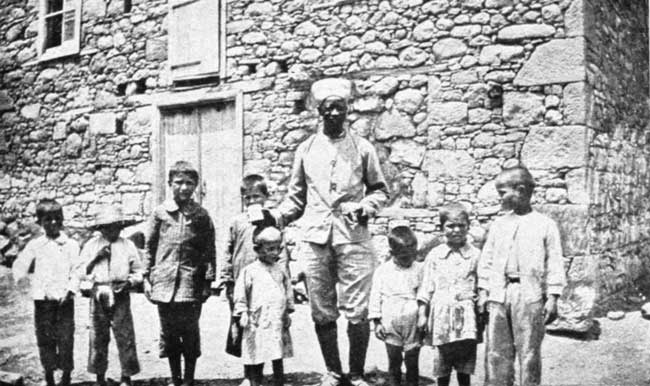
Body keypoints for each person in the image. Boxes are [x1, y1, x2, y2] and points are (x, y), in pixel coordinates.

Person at [272, 78, 389, 386]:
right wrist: (277, 217)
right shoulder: (306, 149)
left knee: (358, 309)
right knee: (322, 310)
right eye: (328, 108)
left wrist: (365, 207)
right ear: (319, 112)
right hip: (315, 238)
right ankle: (334, 372)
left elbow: (380, 190)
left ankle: (357, 373)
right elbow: (295, 199)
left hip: (353, 237)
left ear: (348, 111)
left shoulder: (363, 149)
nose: (334, 113)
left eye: (340, 107)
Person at [477, 166, 567, 386]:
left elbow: (554, 261)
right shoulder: (499, 225)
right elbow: (486, 260)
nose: (500, 198)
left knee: (529, 352)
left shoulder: (545, 225)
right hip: (499, 294)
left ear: (520, 190)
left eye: (502, 193)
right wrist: (483, 291)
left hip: (529, 296)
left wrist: (553, 296)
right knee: (496, 352)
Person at [144, 161, 217, 386]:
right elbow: (150, 246)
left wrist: (207, 282)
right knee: (170, 334)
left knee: (190, 333)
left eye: (189, 183)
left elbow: (209, 250)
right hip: (164, 284)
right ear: (169, 184)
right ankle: (175, 378)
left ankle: (188, 379)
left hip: (190, 284)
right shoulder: (160, 214)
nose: (184, 188)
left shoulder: (201, 215)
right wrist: (147, 278)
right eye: (179, 183)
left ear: (195, 185)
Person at [12, 199, 81, 386]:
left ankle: (66, 376)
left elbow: (77, 270)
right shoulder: (36, 245)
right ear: (40, 222)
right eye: (47, 219)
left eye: (57, 219)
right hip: (43, 302)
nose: (52, 223)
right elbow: (20, 265)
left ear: (62, 220)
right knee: (45, 339)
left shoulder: (71, 245)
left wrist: (71, 290)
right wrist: (24, 280)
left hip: (64, 300)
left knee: (66, 338)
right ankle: (49, 376)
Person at [417, 203, 481, 386]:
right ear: (441, 228)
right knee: (443, 363)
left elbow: (482, 283)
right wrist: (422, 314)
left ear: (468, 227)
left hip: (466, 316)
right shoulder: (435, 255)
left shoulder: (476, 255)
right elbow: (426, 287)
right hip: (442, 315)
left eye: (461, 225)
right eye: (451, 226)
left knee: (464, 363)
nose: (456, 230)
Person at [80, 206, 143, 386]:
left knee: (125, 336)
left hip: (120, 293)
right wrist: (95, 259)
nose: (112, 230)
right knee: (98, 336)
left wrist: (129, 283)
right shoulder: (91, 246)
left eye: (116, 226)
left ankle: (126, 376)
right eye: (107, 227)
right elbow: (81, 271)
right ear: (100, 229)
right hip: (99, 293)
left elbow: (139, 271)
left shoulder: (128, 245)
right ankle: (100, 377)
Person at [232, 226, 294, 386]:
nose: (275, 253)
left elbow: (287, 292)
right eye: (270, 249)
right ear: (257, 250)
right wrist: (242, 312)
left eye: (277, 249)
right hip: (257, 320)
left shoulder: (280, 270)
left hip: (276, 319)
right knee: (257, 353)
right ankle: (255, 381)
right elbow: (241, 294)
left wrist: (287, 312)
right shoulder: (250, 271)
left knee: (277, 352)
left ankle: (278, 381)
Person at [368, 226, 423, 386]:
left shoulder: (420, 269)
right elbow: (375, 296)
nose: (409, 260)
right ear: (392, 254)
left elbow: (425, 294)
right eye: (404, 257)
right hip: (390, 319)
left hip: (412, 320)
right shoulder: (382, 271)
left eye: (412, 255)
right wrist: (376, 321)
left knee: (412, 359)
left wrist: (423, 316)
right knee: (394, 360)